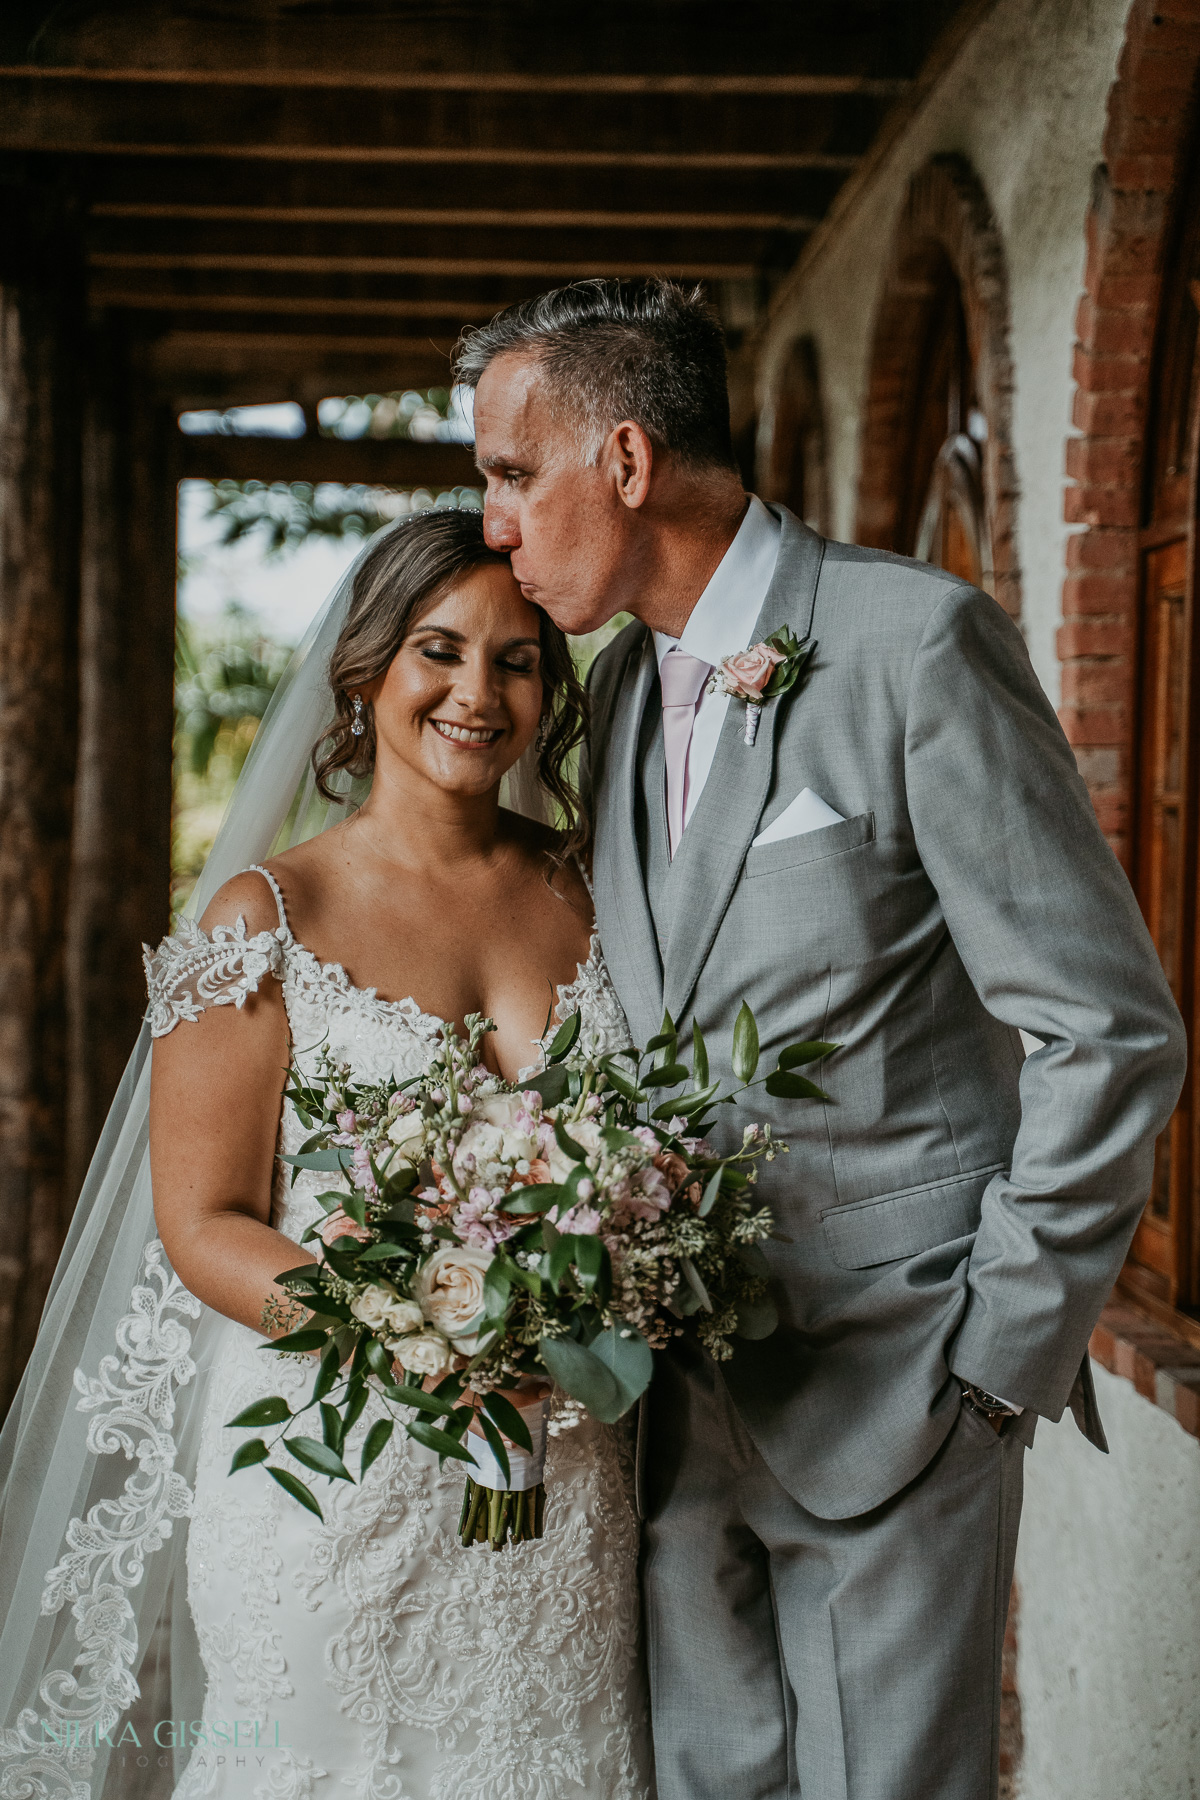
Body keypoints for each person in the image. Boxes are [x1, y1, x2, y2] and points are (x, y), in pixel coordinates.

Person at [454, 277, 1188, 1800]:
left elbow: (1108, 1028)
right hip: (669, 1412)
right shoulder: (618, 699)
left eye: (513, 474)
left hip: (901, 1397)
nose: (496, 526)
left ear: (630, 461)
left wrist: (998, 1360)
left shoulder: (914, 644)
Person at [0, 508, 651, 1800]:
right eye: (439, 650)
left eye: (518, 659)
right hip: (331, 1465)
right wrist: (418, 1348)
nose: (478, 692)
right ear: (365, 671)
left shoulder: (595, 891)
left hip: (561, 1469)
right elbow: (209, 1221)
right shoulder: (265, 917)